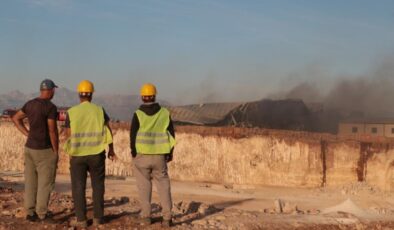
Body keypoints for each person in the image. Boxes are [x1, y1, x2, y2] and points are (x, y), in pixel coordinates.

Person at [63, 80, 116, 227]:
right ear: (91, 95)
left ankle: (81, 220)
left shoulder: (72, 112)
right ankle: (98, 218)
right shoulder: (100, 110)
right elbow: (108, 131)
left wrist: (70, 153)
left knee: (78, 187)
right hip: (97, 155)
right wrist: (111, 149)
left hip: (77, 155)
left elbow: (68, 135)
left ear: (79, 95)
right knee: (98, 186)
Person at [12, 79, 59, 223]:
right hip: (44, 150)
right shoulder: (50, 107)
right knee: (45, 183)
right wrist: (56, 151)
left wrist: (27, 133)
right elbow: (52, 130)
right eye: (54, 90)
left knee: (31, 182)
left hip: (29, 148)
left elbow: (15, 118)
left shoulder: (30, 104)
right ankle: (42, 214)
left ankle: (30, 213)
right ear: (51, 91)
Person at [130, 83, 176, 228]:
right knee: (163, 185)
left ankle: (146, 217)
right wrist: (170, 153)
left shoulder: (138, 114)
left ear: (142, 97)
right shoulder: (164, 113)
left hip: (142, 155)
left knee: (144, 186)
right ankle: (167, 218)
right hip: (159, 156)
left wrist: (134, 153)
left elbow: (133, 135)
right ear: (155, 96)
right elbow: (171, 135)